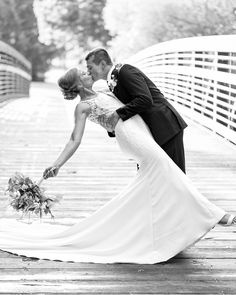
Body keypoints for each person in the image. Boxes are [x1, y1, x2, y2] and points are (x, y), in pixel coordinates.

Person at [0, 68, 235, 264]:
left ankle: (163, 229)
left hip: (142, 130)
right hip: (131, 137)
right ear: (78, 84)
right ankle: (215, 215)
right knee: (166, 168)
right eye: (82, 73)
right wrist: (57, 165)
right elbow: (74, 139)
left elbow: (133, 90)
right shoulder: (83, 107)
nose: (87, 72)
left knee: (158, 178)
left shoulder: (102, 88)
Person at [85, 48, 188, 173]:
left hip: (166, 127)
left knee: (175, 176)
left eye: (90, 67)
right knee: (150, 175)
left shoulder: (124, 70)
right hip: (150, 132)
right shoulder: (112, 80)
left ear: (102, 64)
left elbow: (145, 99)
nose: (88, 72)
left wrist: (118, 114)